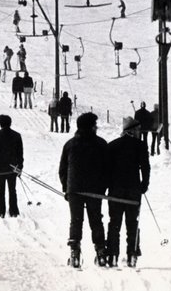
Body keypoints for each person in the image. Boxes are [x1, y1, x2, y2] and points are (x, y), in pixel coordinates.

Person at [59, 112, 108, 268]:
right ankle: (101, 252)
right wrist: (102, 188)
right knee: (96, 220)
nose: (97, 127)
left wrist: (66, 188)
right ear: (91, 127)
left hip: (74, 190)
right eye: (95, 125)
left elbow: (62, 170)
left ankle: (74, 253)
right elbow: (108, 169)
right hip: (94, 190)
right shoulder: (101, 144)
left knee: (76, 221)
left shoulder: (70, 144)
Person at [105, 117, 150, 268]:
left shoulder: (112, 145)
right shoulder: (140, 146)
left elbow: (106, 169)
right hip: (133, 190)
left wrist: (106, 186)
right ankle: (132, 255)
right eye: (138, 130)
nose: (140, 133)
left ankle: (112, 255)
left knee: (114, 224)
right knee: (132, 223)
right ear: (131, 130)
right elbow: (145, 167)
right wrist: (144, 185)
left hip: (115, 190)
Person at [0, 115, 24, 218]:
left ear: (0, 124)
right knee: (12, 190)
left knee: (0, 190)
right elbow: (20, 153)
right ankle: (13, 211)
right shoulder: (17, 135)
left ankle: (0, 211)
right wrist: (20, 167)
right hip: (13, 168)